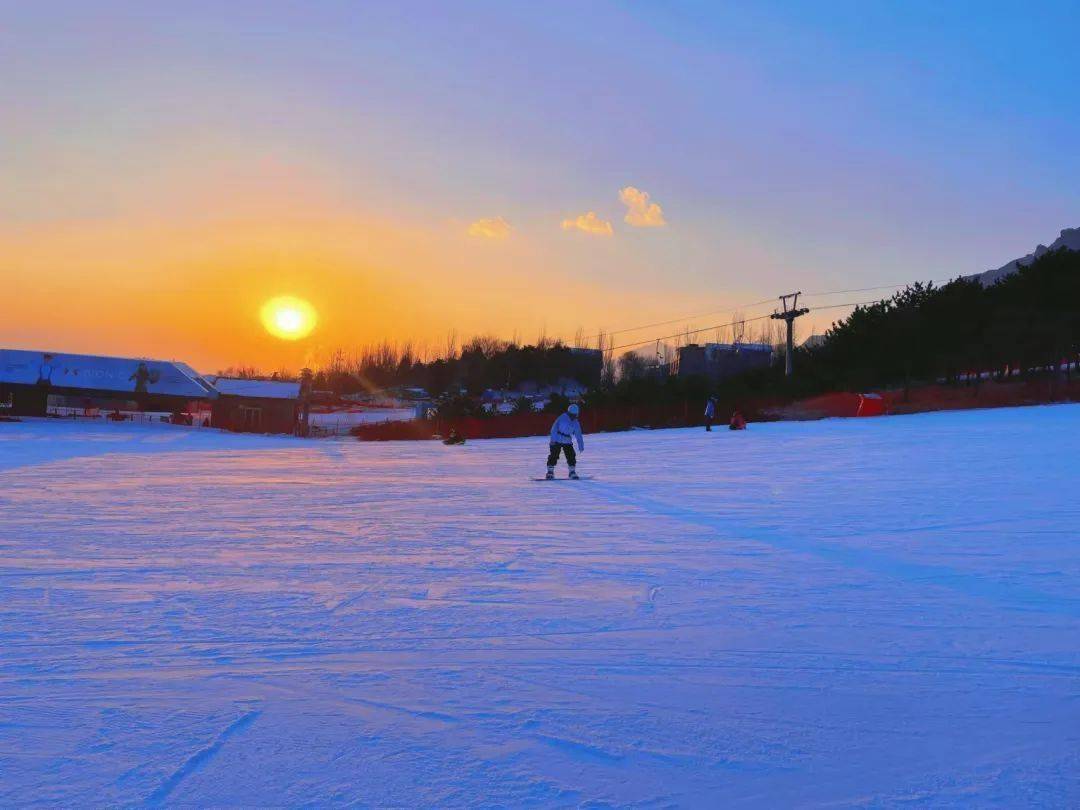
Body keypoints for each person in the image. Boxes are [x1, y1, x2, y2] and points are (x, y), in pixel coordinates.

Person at [546, 403, 584, 479]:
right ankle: (550, 472)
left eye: (575, 415)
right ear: (569, 413)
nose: (573, 417)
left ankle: (572, 472)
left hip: (567, 440)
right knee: (554, 454)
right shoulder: (562, 418)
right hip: (557, 438)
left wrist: (581, 445)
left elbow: (578, 434)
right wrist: (553, 440)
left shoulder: (576, 422)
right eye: (572, 415)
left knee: (571, 455)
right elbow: (554, 429)